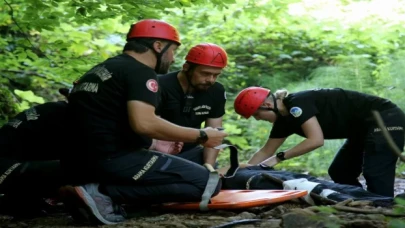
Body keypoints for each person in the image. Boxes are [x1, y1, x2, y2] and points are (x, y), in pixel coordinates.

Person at [59, 19, 228, 225]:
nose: (173, 58)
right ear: (158, 46)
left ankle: (96, 190)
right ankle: (103, 193)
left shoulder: (101, 69)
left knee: (194, 168)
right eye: (172, 51)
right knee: (208, 183)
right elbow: (145, 124)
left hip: (75, 160)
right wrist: (201, 135)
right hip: (113, 158)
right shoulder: (141, 72)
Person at [233, 86, 405, 197]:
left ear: (268, 106)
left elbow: (315, 140)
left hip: (385, 118)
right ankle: (362, 201)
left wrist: (279, 158)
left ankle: (385, 210)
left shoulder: (297, 104)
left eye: (256, 114)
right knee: (340, 171)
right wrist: (244, 170)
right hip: (362, 130)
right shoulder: (283, 120)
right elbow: (265, 152)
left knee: (376, 172)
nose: (257, 119)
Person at [156, 43, 228, 166]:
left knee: (208, 172)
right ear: (186, 67)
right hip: (156, 152)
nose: (211, 80)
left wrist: (209, 167)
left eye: (216, 75)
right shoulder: (159, 85)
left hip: (192, 152)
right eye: (205, 73)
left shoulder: (217, 91)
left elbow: (215, 132)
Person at [0, 100, 71, 217]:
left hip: (13, 168)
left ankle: (20, 203)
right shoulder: (62, 113)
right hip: (7, 169)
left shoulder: (56, 110)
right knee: (80, 168)